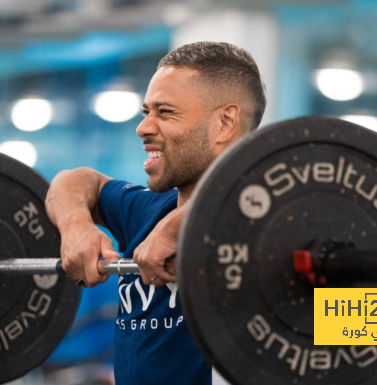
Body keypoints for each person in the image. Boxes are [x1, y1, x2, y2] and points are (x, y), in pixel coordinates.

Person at [45, 41, 267, 385]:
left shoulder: (276, 227)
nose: (143, 127)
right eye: (146, 112)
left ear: (225, 123)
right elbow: (74, 181)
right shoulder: (146, 211)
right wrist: (76, 226)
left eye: (165, 113)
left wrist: (184, 226)